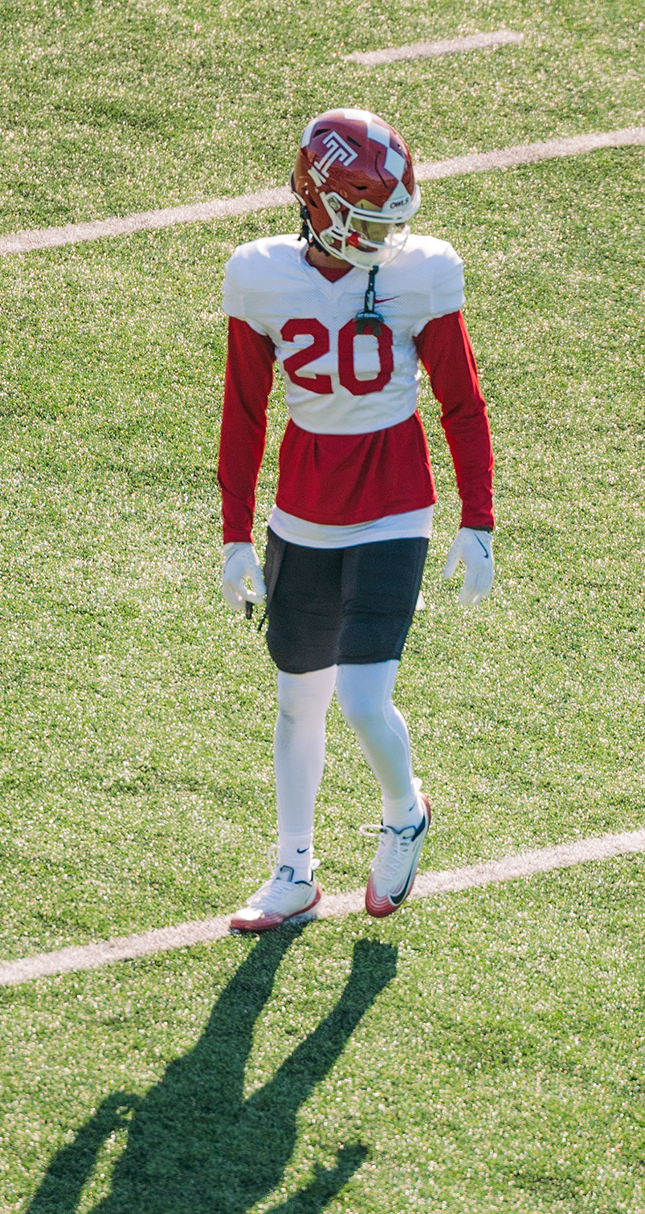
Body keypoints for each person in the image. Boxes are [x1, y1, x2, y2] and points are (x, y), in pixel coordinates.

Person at [215, 107, 496, 933]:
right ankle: (294, 871)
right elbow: (243, 413)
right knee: (297, 701)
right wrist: (235, 534)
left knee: (365, 698)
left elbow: (462, 403)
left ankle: (405, 814)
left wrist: (477, 519)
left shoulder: (421, 274)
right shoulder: (261, 275)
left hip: (394, 506)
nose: (386, 237)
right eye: (369, 220)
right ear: (319, 204)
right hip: (302, 512)